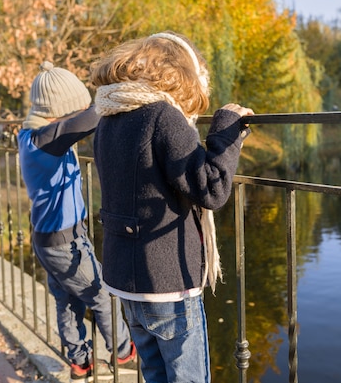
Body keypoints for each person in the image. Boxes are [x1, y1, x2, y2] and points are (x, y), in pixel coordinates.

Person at [91, 31, 254, 382]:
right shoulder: (162, 116)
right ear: (182, 75)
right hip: (166, 281)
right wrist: (227, 130)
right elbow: (210, 188)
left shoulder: (110, 117)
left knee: (155, 373)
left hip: (125, 277)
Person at [18, 61, 137, 383]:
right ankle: (124, 352)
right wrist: (129, 92)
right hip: (64, 243)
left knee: (68, 301)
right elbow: (93, 115)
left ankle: (79, 362)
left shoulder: (32, 136)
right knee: (102, 295)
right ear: (61, 110)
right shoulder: (46, 139)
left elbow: (78, 121)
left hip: (49, 239)